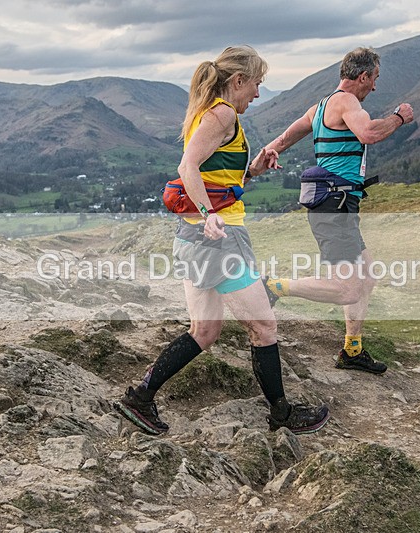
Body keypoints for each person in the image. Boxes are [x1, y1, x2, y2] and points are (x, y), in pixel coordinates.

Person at [114, 46, 330, 436]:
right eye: (256, 84)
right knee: (263, 327)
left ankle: (140, 398)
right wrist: (208, 214)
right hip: (218, 239)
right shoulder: (223, 113)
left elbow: (217, 177)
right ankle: (282, 414)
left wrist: (253, 170)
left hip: (195, 238)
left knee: (205, 331)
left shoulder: (210, 113)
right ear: (238, 80)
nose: (258, 93)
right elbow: (188, 166)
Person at [260, 47, 415, 375]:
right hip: (335, 204)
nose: (375, 86)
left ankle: (352, 349)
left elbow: (283, 139)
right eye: (374, 78)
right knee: (347, 288)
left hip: (340, 204)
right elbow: (369, 133)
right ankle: (272, 287)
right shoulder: (347, 102)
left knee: (367, 277)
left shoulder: (319, 108)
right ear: (363, 76)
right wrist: (399, 117)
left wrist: (256, 164)